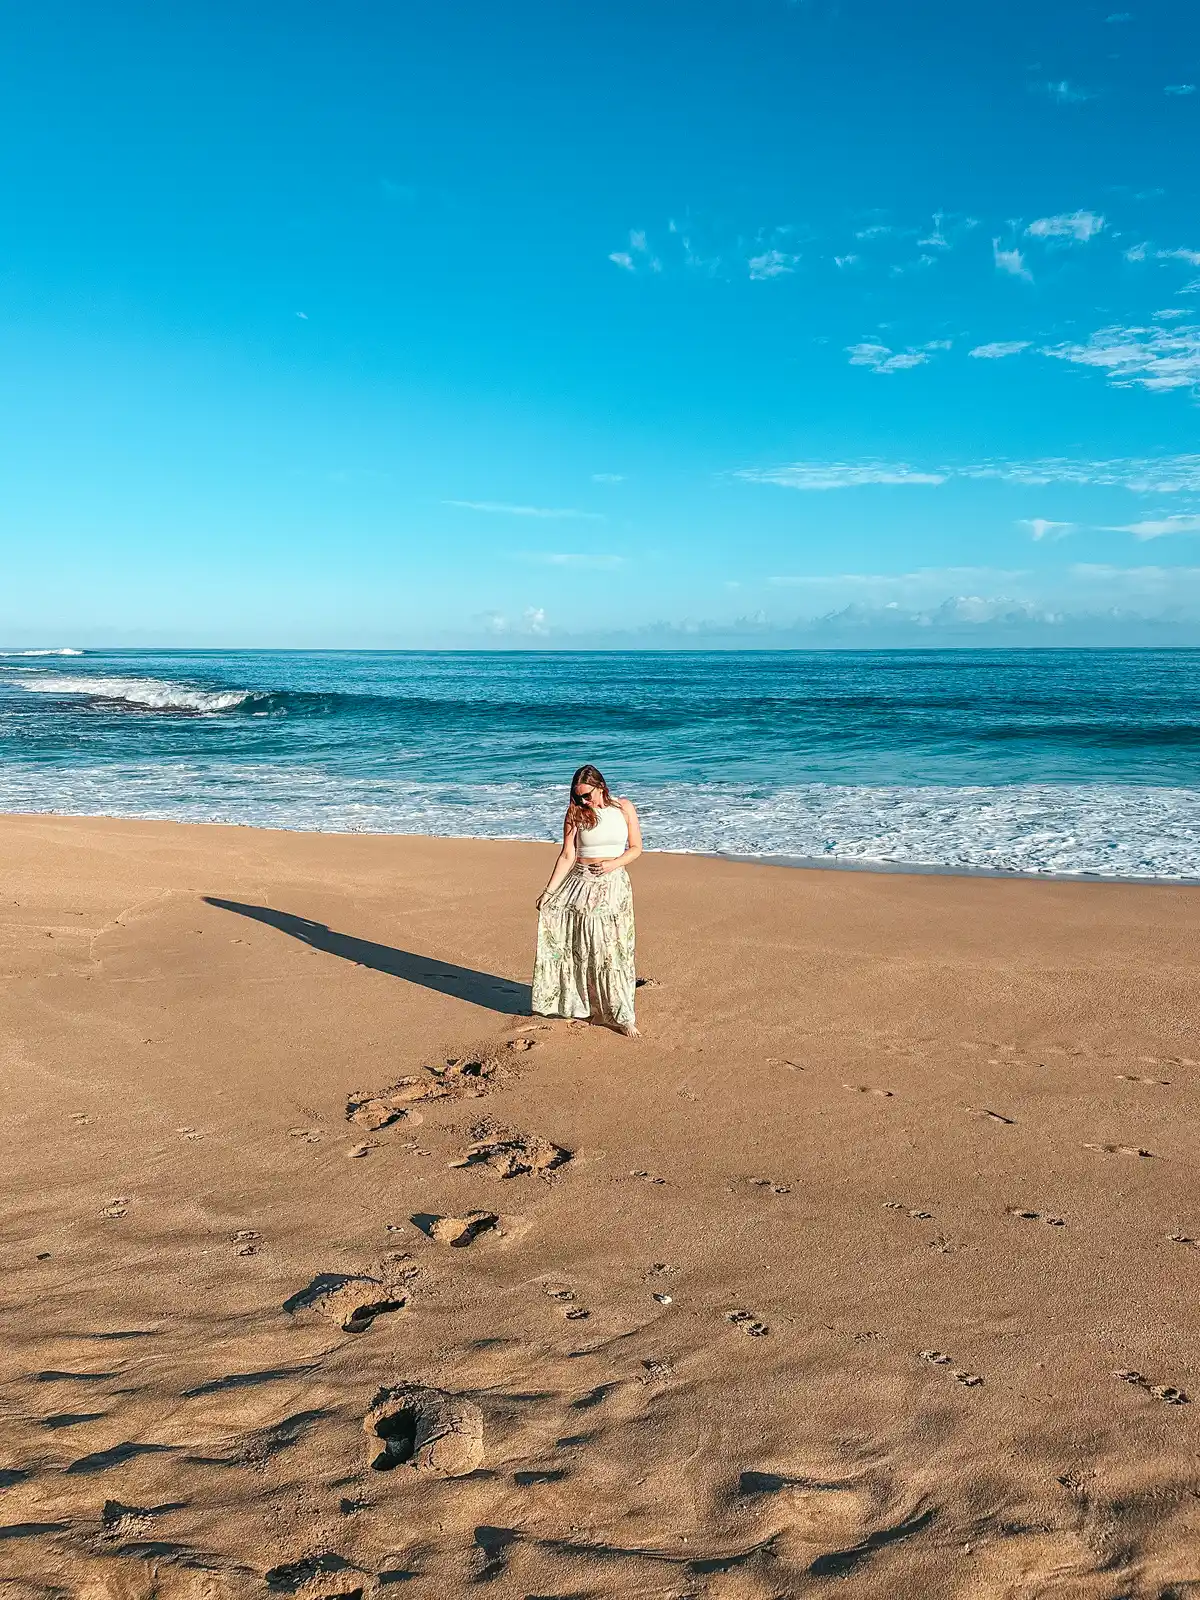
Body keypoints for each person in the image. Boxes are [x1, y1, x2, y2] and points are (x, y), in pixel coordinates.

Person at [532, 764, 643, 1036]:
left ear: (600, 786)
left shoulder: (624, 808)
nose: (584, 800)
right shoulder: (575, 813)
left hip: (614, 885)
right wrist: (548, 892)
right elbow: (567, 855)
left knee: (613, 950)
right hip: (581, 884)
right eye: (578, 796)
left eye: (587, 795)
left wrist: (613, 864)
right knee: (585, 948)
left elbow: (637, 848)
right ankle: (589, 1006)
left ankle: (621, 1013)